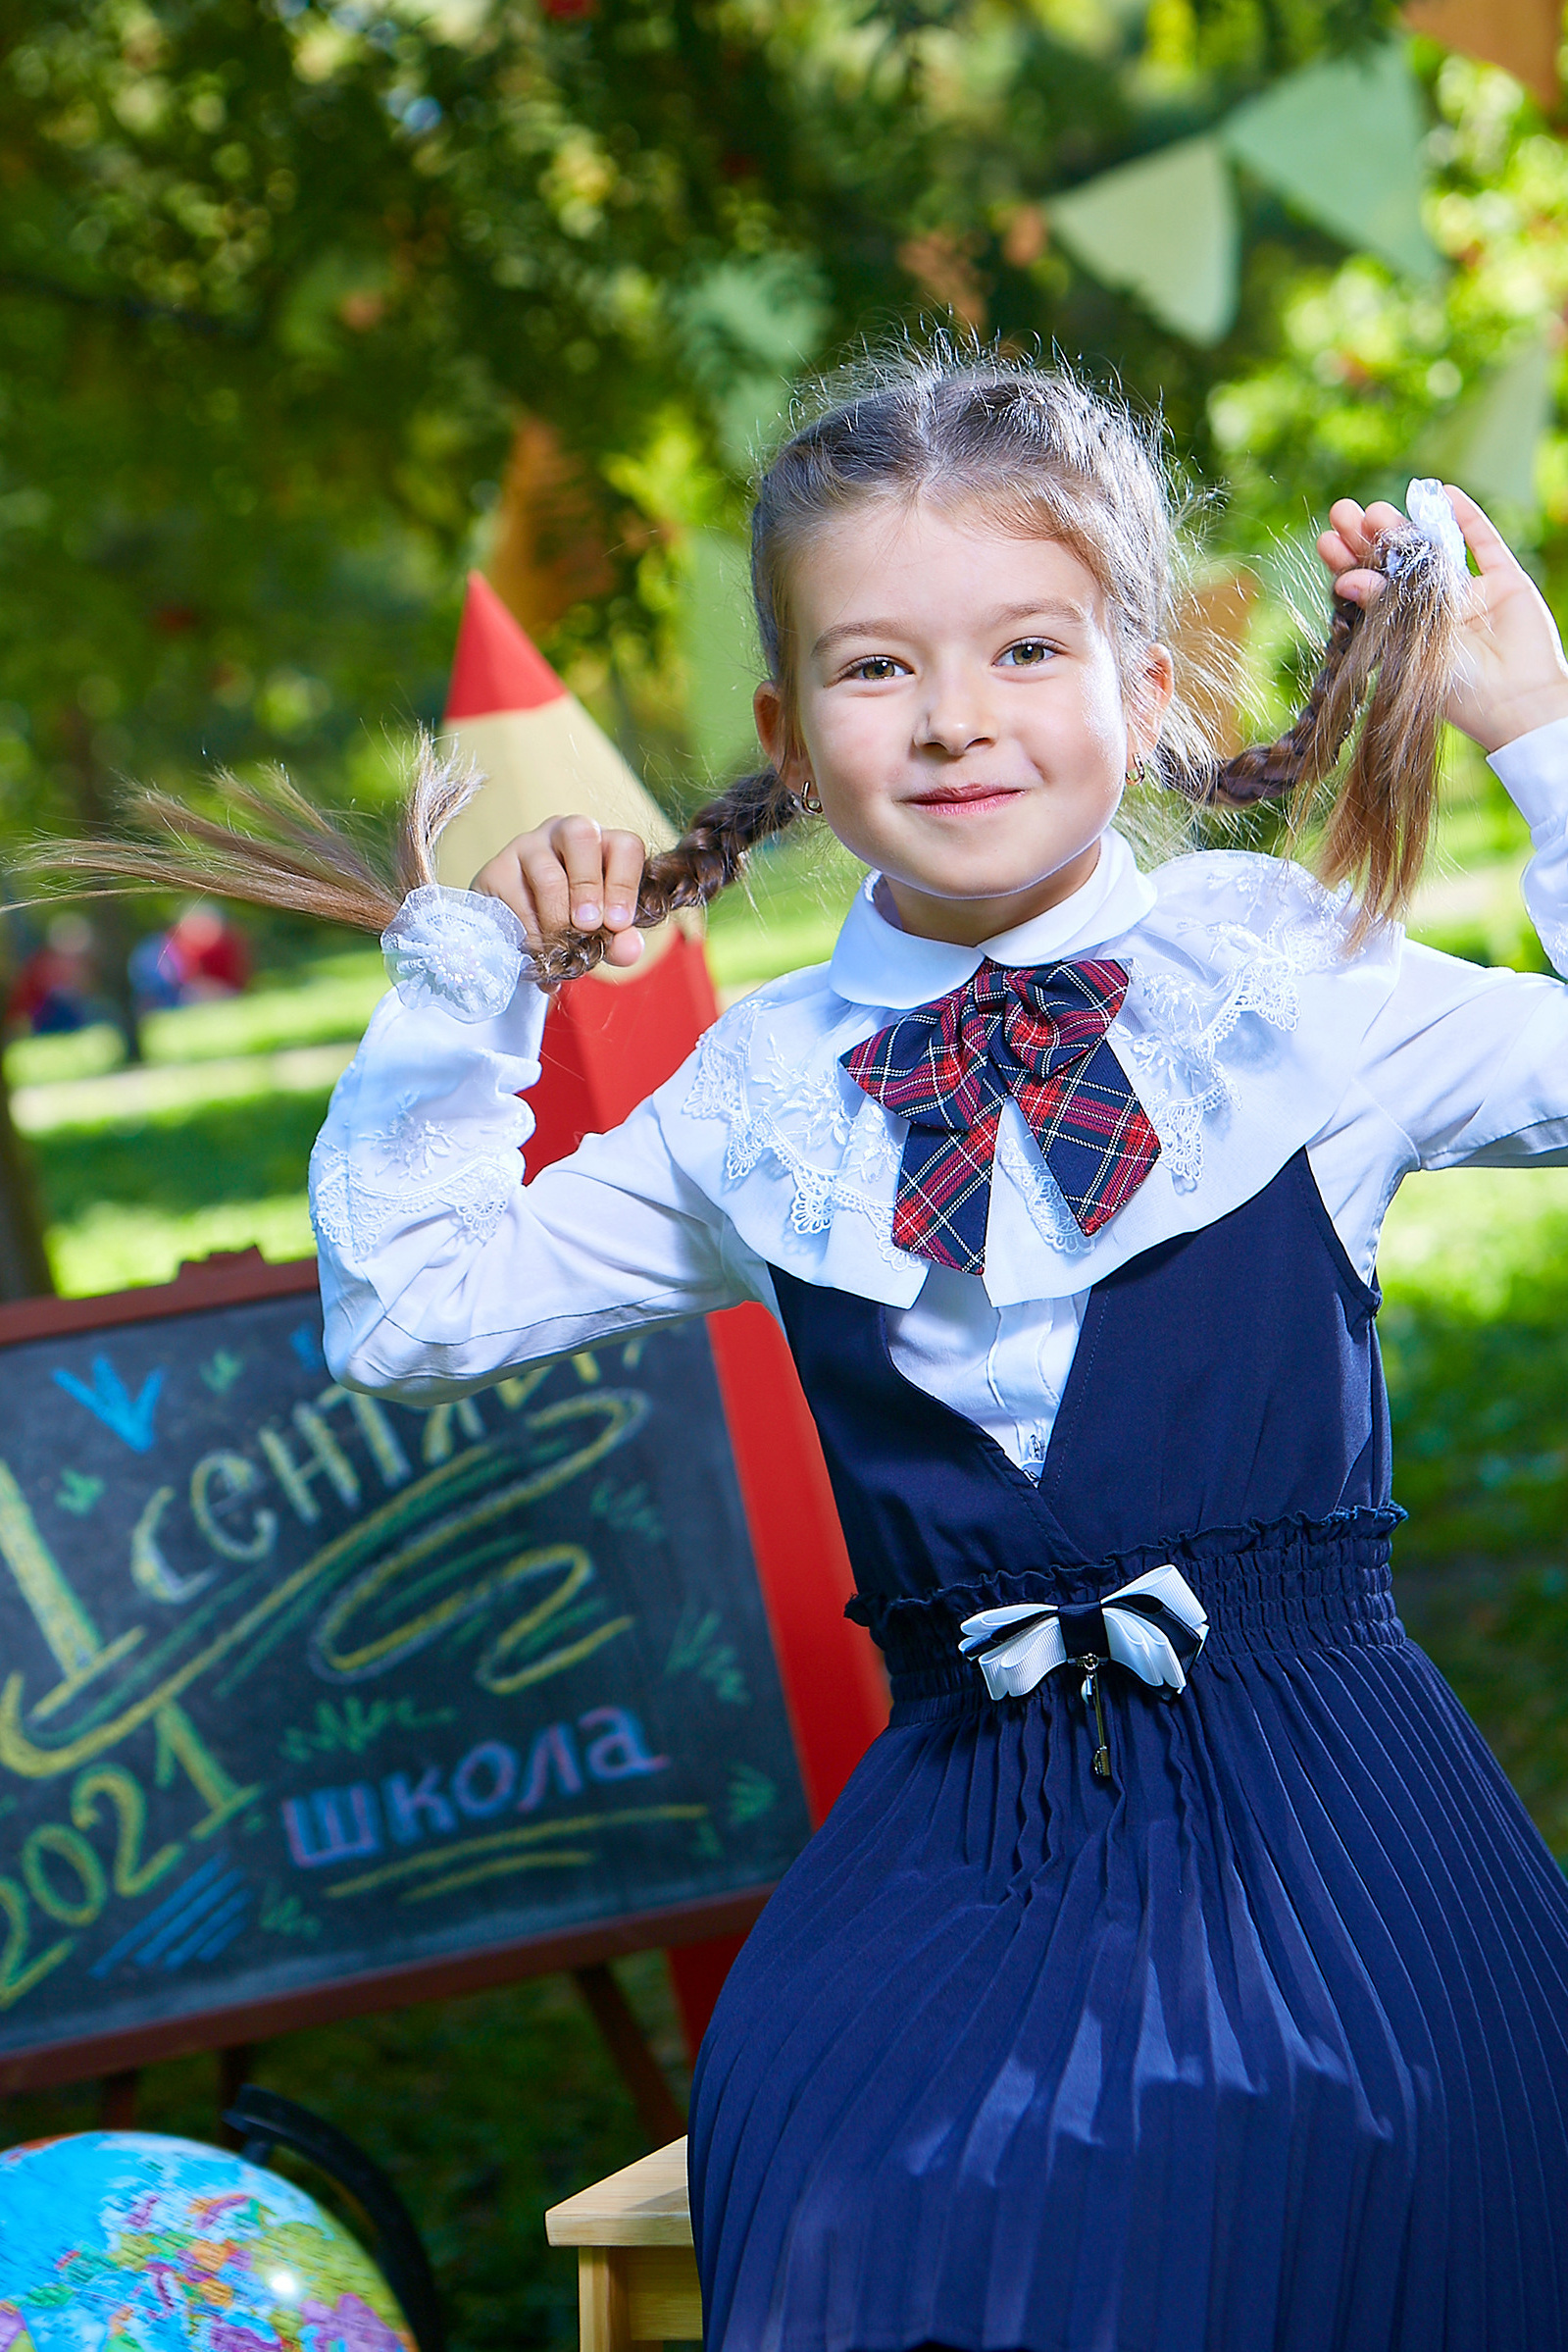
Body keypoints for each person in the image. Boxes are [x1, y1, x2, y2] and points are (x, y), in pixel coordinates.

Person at [34, 350, 1568, 2347]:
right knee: (862, 2201)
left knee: (1307, 2161)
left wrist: (1528, 729)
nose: (952, 719)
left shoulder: (1288, 987)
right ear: (779, 726)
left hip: (1332, 1829)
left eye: (1024, 646)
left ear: (1149, 681)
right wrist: (477, 984)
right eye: (872, 668)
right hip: (963, 1855)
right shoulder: (762, 1092)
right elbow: (410, 1306)